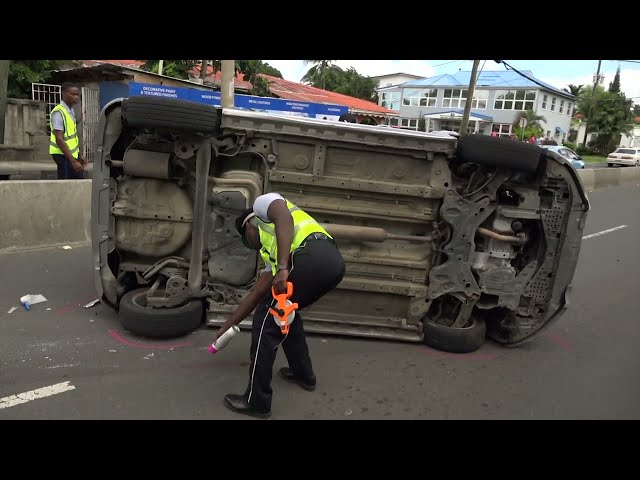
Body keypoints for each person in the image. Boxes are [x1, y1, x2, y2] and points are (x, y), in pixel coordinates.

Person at [214, 192, 346, 418]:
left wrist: (284, 267)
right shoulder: (272, 253)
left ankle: (257, 401)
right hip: (331, 264)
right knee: (285, 314)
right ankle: (303, 375)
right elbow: (256, 294)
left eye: (246, 240)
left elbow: (284, 217)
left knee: (265, 325)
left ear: (248, 227)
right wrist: (228, 324)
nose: (251, 245)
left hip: (311, 256)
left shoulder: (262, 205)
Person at [49, 82, 86, 179]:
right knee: (67, 184)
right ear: (64, 94)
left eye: (77, 94)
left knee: (77, 181)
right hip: (63, 155)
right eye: (73, 94)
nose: (76, 97)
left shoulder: (70, 110)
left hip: (70, 155)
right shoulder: (58, 113)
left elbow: (72, 136)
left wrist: (78, 155)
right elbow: (59, 139)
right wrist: (73, 161)